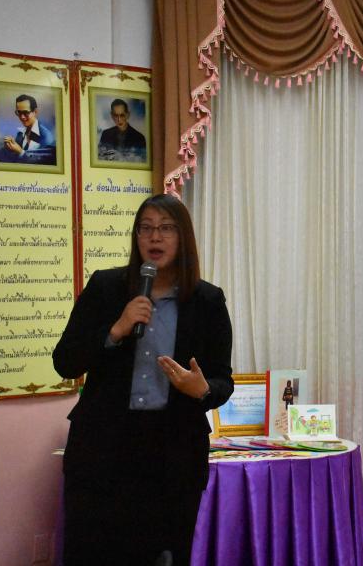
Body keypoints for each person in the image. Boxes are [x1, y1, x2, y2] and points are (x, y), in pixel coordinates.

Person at [53, 194, 234, 566]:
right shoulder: (106, 287)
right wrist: (114, 331)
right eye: (146, 228)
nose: (155, 237)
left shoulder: (207, 301)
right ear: (136, 237)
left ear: (183, 238)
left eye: (166, 228)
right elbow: (65, 362)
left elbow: (222, 381)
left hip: (172, 458)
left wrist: (202, 390)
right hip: (103, 454)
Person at [0, 93, 56, 164]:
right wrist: (9, 149)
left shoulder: (46, 136)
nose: (22, 117)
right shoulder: (20, 134)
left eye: (25, 112)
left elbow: (43, 162)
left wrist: (20, 152)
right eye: (19, 112)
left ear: (35, 112)